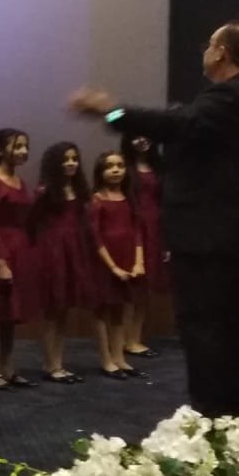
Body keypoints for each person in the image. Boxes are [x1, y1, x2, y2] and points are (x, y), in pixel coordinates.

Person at [70, 20, 239, 416]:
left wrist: (110, 112)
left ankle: (214, 415)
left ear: (223, 52)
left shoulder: (232, 96)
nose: (204, 50)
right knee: (230, 321)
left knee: (206, 325)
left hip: (208, 235)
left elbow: (178, 124)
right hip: (231, 233)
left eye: (209, 44)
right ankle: (232, 412)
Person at [0, 128, 39, 390]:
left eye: (25, 146)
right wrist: (1, 261)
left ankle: (9, 368)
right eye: (17, 146)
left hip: (19, 248)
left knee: (11, 315)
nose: (23, 151)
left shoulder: (19, 181)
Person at [30, 141, 93, 382]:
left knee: (64, 309)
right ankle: (50, 364)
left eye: (74, 159)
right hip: (53, 252)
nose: (71, 163)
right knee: (52, 310)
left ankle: (58, 362)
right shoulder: (45, 191)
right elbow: (32, 223)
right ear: (55, 163)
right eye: (66, 159)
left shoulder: (78, 189)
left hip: (72, 251)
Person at [86, 151, 147, 380]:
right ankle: (106, 360)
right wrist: (112, 267)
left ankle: (119, 358)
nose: (115, 170)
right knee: (103, 310)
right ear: (100, 171)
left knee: (120, 309)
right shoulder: (96, 200)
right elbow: (95, 238)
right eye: (109, 166)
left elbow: (137, 232)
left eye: (120, 165)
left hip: (127, 259)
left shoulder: (129, 198)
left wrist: (139, 262)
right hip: (105, 262)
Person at [120, 134, 166, 358]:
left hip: (155, 228)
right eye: (136, 135)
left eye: (146, 134)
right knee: (131, 288)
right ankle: (123, 339)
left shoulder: (159, 167)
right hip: (132, 226)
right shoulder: (123, 167)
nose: (142, 140)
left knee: (145, 289)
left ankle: (136, 338)